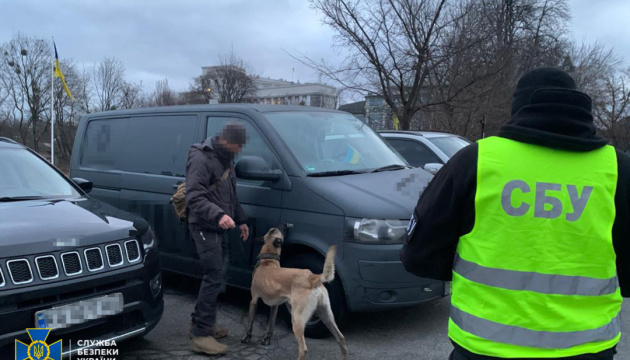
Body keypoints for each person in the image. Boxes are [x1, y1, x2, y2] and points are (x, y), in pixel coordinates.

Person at [401, 67, 629, 360]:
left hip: (484, 348)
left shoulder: (476, 160)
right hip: (586, 350)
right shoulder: (618, 170)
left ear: (518, 108)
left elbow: (419, 256)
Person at [185, 123, 249, 356]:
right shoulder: (201, 159)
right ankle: (201, 335)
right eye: (236, 146)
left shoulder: (226, 158)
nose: (239, 151)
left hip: (220, 225)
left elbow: (231, 193)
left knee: (219, 275)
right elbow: (194, 196)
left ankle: (202, 325)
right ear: (225, 141)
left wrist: (240, 219)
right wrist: (219, 214)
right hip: (203, 225)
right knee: (213, 276)